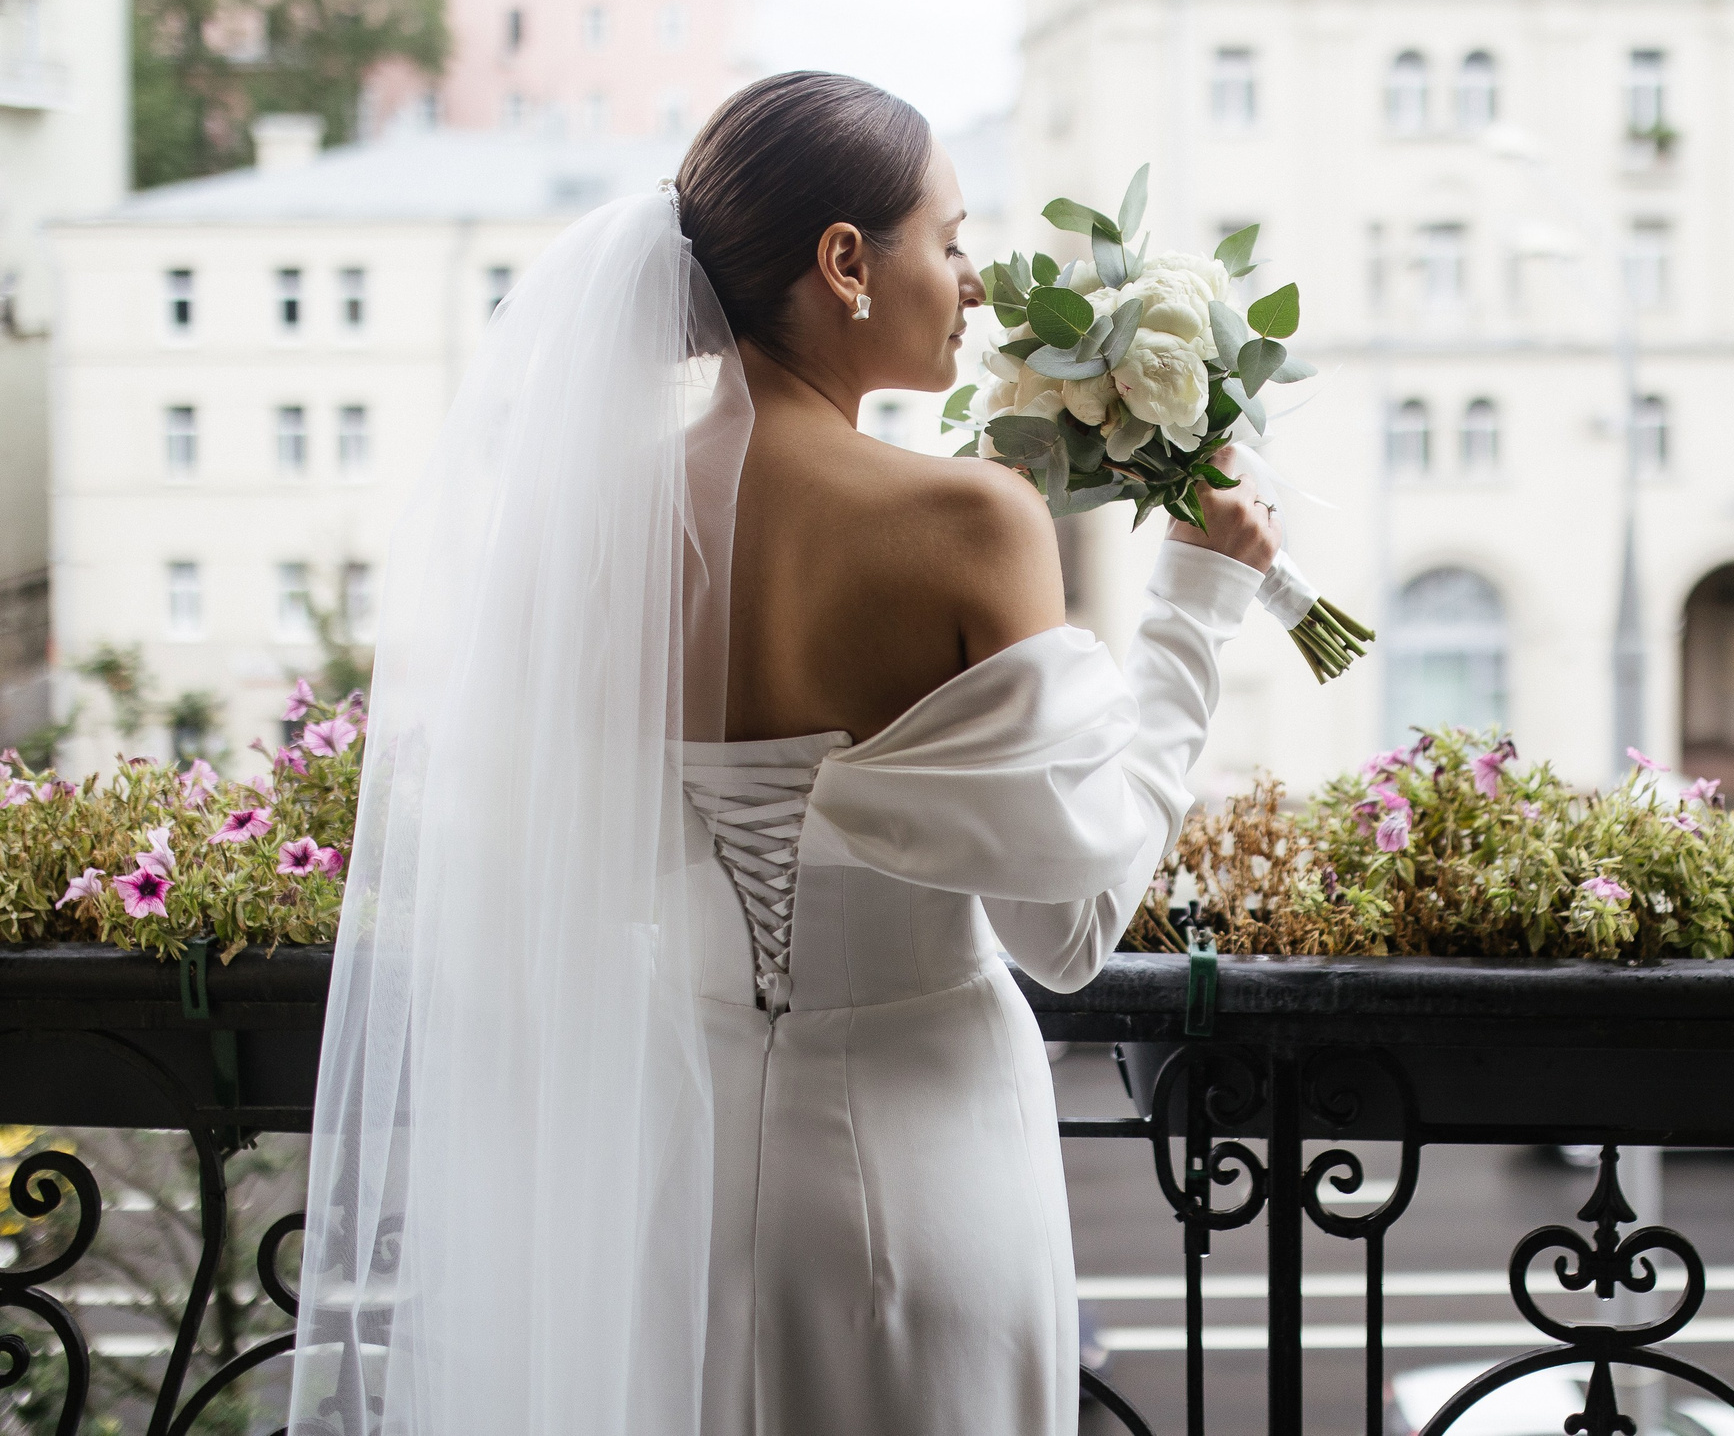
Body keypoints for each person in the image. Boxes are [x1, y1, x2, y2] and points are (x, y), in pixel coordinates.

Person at [287, 72, 1278, 1436]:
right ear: (846, 263)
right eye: (951, 237)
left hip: (668, 1187)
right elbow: (1068, 929)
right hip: (928, 1175)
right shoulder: (968, 520)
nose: (976, 281)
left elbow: (555, 872)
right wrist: (1195, 612)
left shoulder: (594, 531)